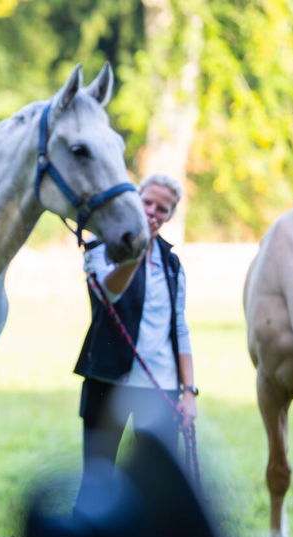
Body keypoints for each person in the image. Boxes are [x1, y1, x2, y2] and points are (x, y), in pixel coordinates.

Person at [74, 173, 197, 473]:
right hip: (108, 380)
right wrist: (135, 253)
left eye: (162, 208)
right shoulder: (102, 246)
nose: (153, 212)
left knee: (154, 484)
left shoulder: (172, 264)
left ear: (170, 215)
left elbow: (179, 327)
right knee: (97, 478)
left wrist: (189, 392)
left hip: (161, 385)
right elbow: (109, 295)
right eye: (148, 202)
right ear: (135, 201)